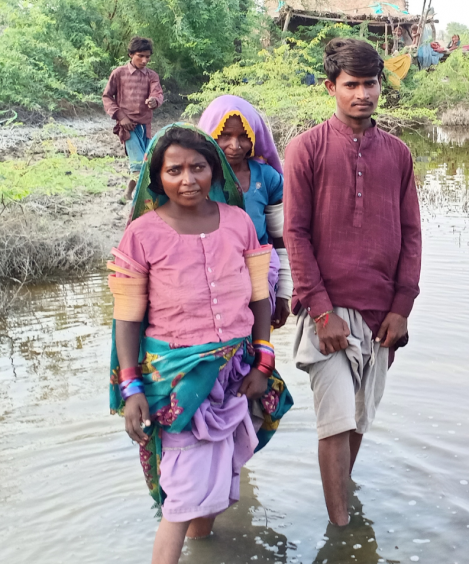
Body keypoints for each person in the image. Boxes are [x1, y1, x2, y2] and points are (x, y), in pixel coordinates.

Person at [108, 123, 293, 564]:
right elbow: (127, 318)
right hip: (176, 380)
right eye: (174, 170)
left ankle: (203, 549)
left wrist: (262, 361)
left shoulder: (239, 223)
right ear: (157, 177)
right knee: (181, 500)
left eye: (198, 167)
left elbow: (258, 298)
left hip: (234, 373)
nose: (187, 179)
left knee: (214, 484)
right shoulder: (142, 235)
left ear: (215, 171)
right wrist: (131, 389)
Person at [283, 38, 422, 527]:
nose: (362, 93)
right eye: (351, 85)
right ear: (331, 88)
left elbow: (411, 235)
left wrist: (402, 307)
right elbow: (294, 234)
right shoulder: (305, 149)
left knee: (359, 419)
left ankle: (341, 503)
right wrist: (320, 312)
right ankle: (340, 533)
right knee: (336, 419)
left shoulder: (399, 155)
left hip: (381, 314)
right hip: (327, 313)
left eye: (370, 83)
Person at [198, 96, 292, 329]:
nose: (235, 145)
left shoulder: (267, 178)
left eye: (243, 137)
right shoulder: (196, 179)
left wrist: (284, 292)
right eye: (225, 136)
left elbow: (280, 238)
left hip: (259, 281)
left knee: (254, 350)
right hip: (208, 280)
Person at [102, 36, 164, 201]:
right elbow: (107, 97)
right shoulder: (119, 73)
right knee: (137, 165)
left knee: (147, 163)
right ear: (131, 54)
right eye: (140, 56)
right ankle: (141, 200)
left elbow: (157, 93)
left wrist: (154, 101)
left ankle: (128, 194)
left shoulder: (151, 75)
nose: (144, 60)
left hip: (146, 127)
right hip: (128, 128)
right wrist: (121, 117)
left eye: (148, 57)